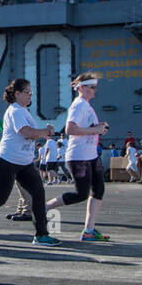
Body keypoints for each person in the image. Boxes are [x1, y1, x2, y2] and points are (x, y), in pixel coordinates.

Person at [0, 78, 59, 245]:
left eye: (31, 92)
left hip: (24, 163)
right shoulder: (15, 111)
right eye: (27, 92)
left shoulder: (23, 111)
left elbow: (30, 132)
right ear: (17, 94)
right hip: (6, 162)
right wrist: (45, 131)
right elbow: (26, 132)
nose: (30, 95)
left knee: (38, 193)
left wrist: (44, 131)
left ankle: (41, 234)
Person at [41, 73, 110, 242]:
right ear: (81, 88)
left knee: (99, 190)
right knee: (81, 194)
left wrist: (99, 127)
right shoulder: (78, 105)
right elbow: (70, 129)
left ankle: (89, 230)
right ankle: (44, 208)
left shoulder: (86, 105)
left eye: (95, 87)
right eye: (91, 87)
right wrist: (95, 130)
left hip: (91, 155)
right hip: (80, 156)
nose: (94, 90)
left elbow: (84, 128)